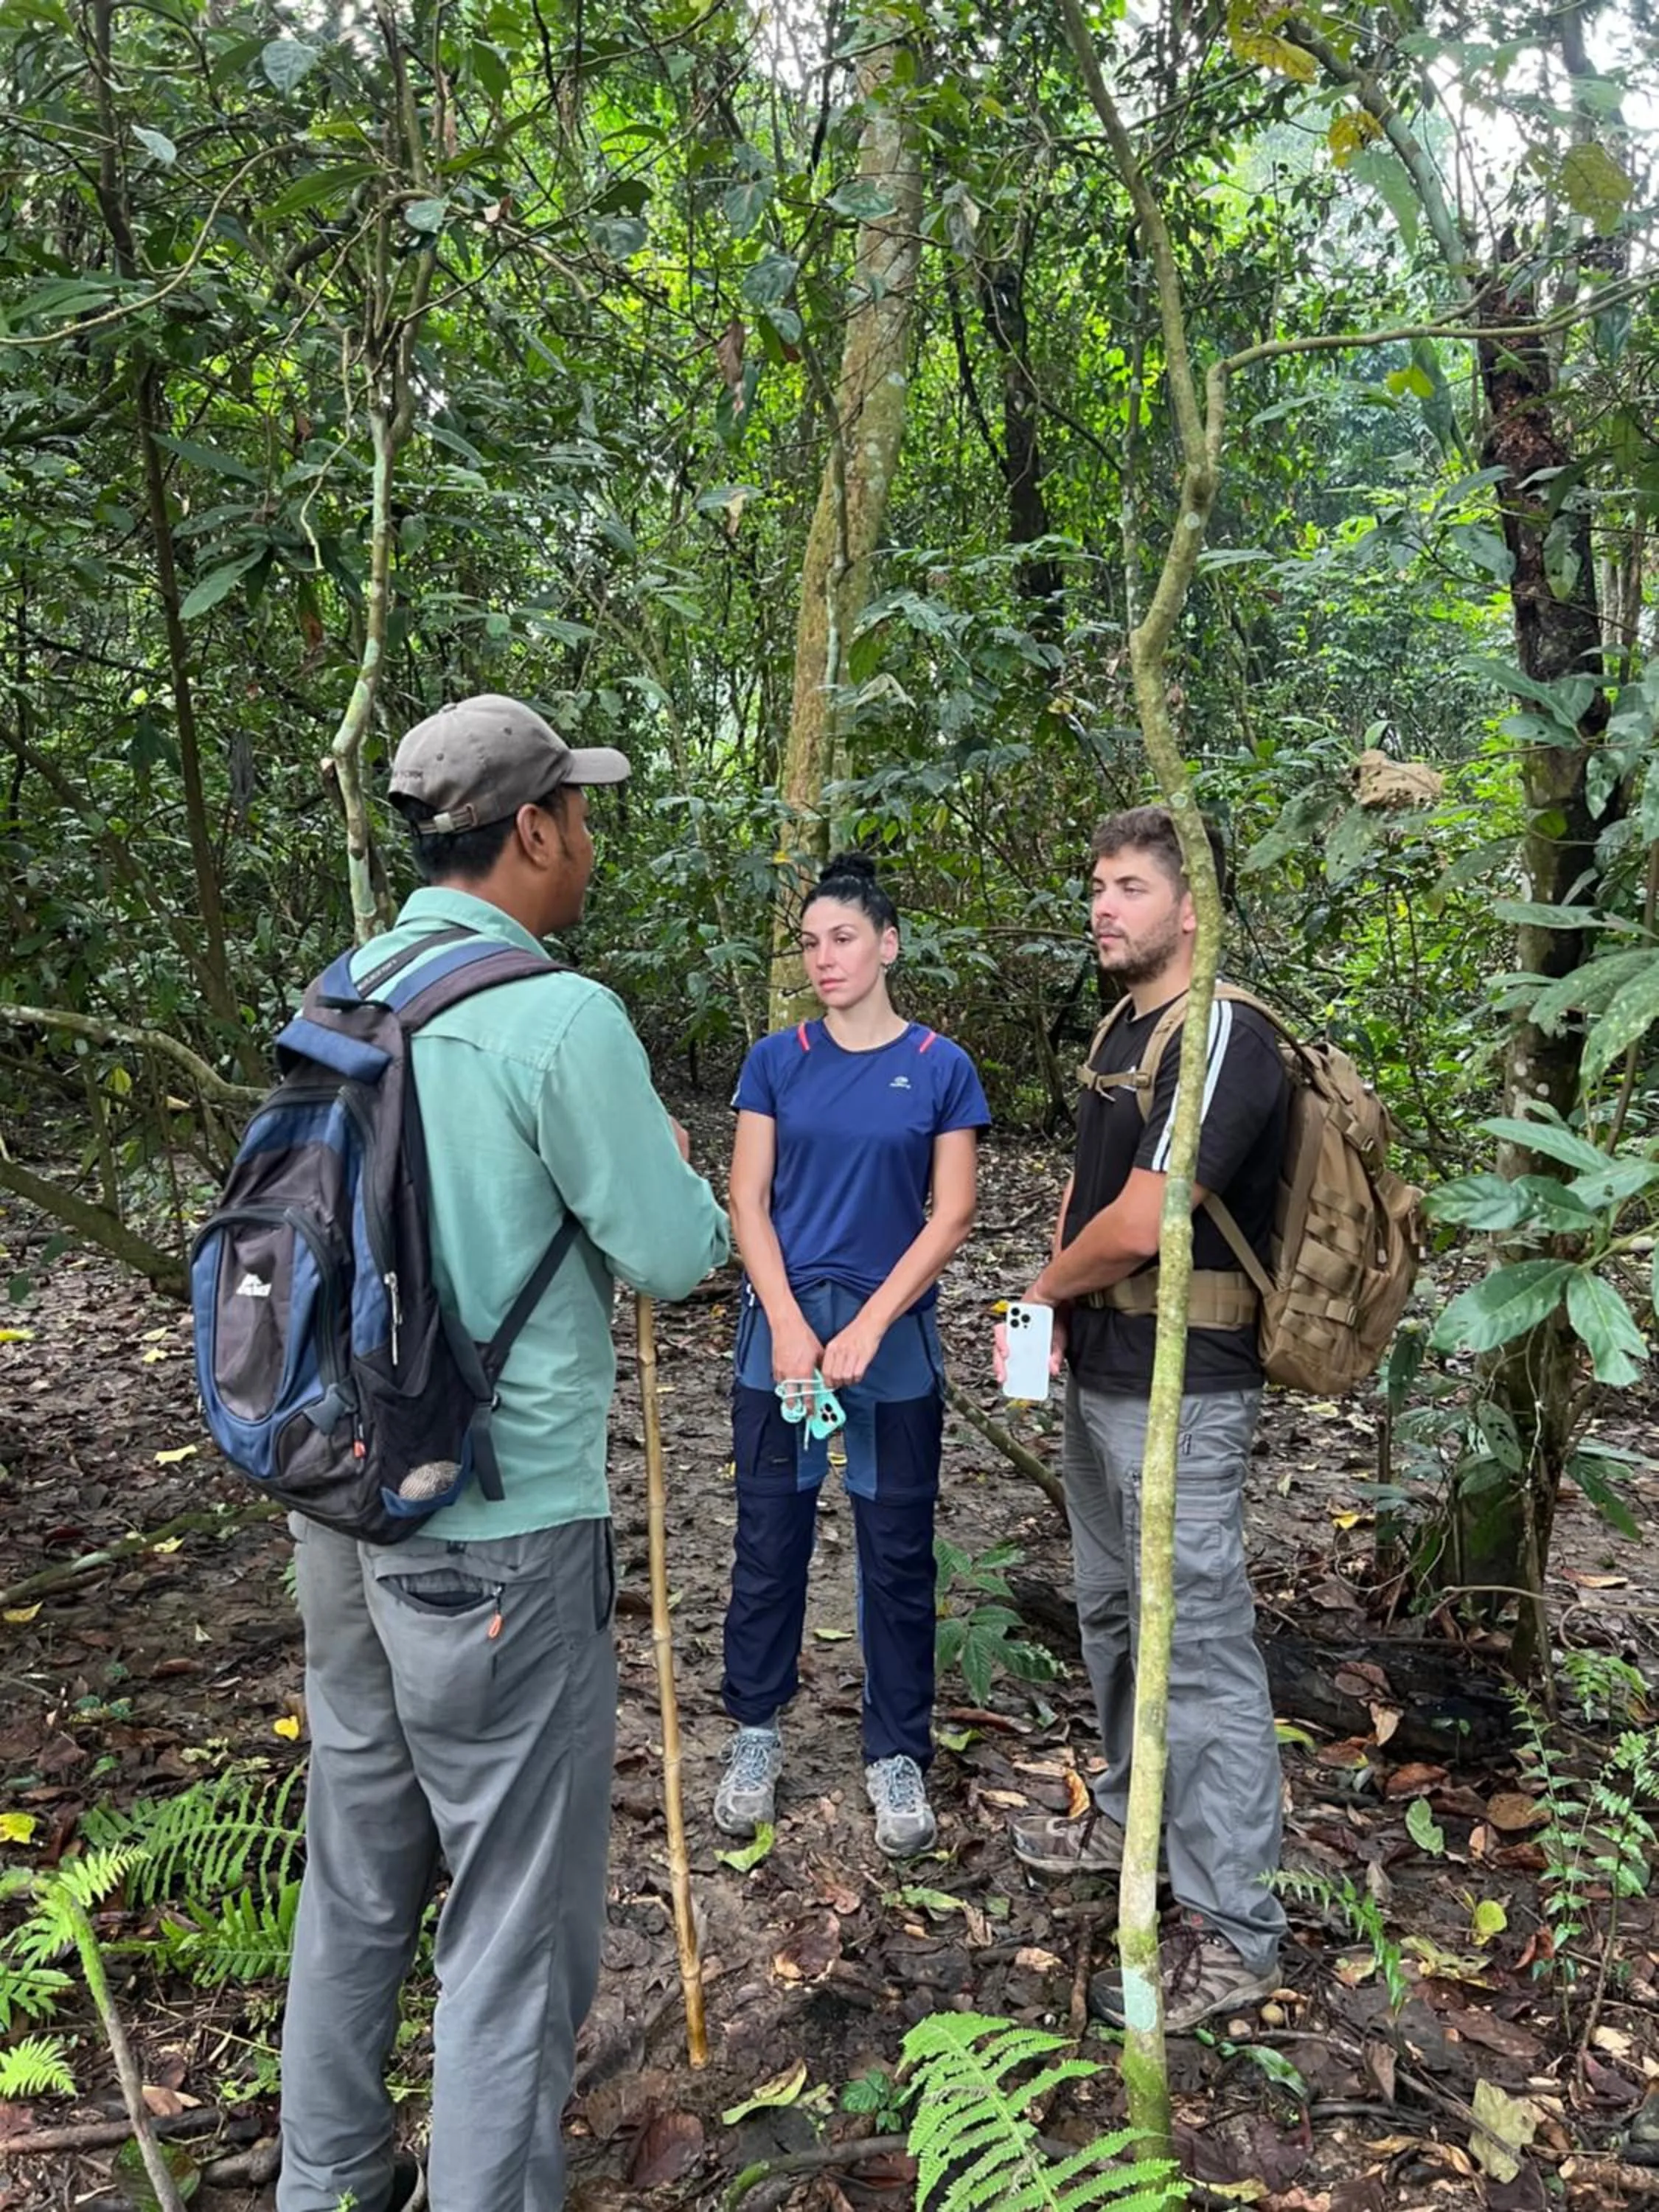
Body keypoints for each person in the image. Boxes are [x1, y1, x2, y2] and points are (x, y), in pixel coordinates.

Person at [276, 695, 729, 2212]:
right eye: (579, 814)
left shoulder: (349, 987)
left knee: (358, 1858)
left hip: (342, 1503)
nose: (589, 840)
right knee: (514, 1918)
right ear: (531, 830)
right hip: (501, 1528)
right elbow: (671, 1253)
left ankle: (330, 2178)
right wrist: (676, 1173)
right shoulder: (558, 1018)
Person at [999, 804, 1289, 2032]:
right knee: (1112, 1612)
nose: (1101, 908)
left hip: (1188, 1386)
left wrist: (1037, 1291)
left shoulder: (1225, 1032)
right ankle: (1131, 1824)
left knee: (1201, 1650)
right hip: (1105, 1363)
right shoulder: (1127, 1023)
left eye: (1127, 887)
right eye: (1096, 886)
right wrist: (1062, 1308)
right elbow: (1089, 1184)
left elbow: (1144, 1216)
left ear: (1191, 907)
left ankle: (1235, 1929)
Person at [715, 853, 990, 1858]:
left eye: (843, 939)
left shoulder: (941, 1065)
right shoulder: (775, 1060)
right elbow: (747, 1200)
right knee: (767, 1539)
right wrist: (788, 1323)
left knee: (898, 1551)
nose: (823, 959)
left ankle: (895, 1751)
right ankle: (754, 1732)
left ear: (888, 945)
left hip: (894, 1335)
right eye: (810, 943)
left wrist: (871, 1323)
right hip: (782, 1333)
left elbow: (950, 1212)